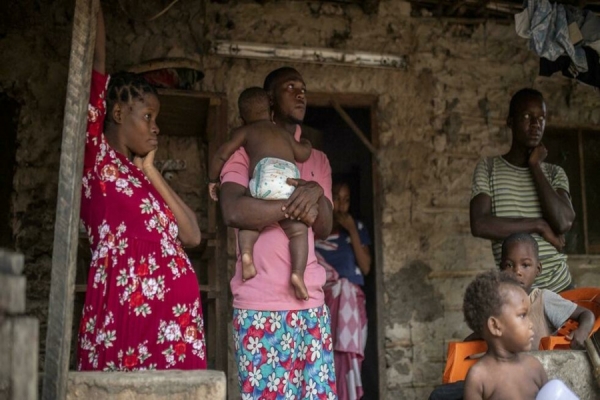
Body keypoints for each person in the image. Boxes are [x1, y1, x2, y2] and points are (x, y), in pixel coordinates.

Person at [77, 5, 206, 371]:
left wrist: (151, 172)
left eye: (157, 120)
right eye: (147, 116)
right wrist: (96, 8)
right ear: (117, 114)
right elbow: (96, 64)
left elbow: (192, 235)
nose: (155, 128)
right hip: (126, 316)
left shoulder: (142, 179)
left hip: (174, 329)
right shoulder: (97, 158)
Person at [218, 67, 337, 399]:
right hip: (259, 304)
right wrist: (294, 208)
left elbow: (325, 226)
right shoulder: (245, 152)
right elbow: (233, 210)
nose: (301, 94)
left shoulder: (317, 159)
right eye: (290, 87)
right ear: (269, 99)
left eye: (304, 88)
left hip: (309, 304)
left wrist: (314, 191)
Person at [208, 87, 313, 300]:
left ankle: (247, 255)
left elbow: (222, 154)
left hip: (264, 178)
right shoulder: (284, 133)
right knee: (298, 231)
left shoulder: (245, 132)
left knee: (250, 221)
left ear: (242, 118)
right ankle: (298, 274)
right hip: (287, 182)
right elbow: (302, 154)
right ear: (271, 112)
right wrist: (307, 144)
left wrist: (212, 178)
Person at [470, 88, 576, 293]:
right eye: (527, 116)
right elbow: (480, 224)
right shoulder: (489, 169)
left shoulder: (554, 173)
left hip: (561, 289)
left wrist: (535, 166)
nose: (536, 124)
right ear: (510, 121)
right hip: (518, 293)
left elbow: (563, 222)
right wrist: (538, 225)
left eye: (541, 118)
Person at [315, 181, 371, 400]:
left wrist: (351, 231)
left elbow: (365, 267)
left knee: (349, 359)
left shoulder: (357, 229)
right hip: (323, 306)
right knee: (323, 358)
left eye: (346, 200)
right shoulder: (315, 231)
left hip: (351, 309)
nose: (341, 205)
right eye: (336, 198)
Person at [500, 232, 594, 350]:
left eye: (525, 265)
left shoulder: (544, 299)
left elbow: (586, 314)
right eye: (509, 265)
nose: (517, 271)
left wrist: (582, 332)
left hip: (545, 366)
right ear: (501, 269)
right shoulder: (499, 304)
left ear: (537, 269)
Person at [462, 270, 548, 399]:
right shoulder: (479, 377)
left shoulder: (535, 367)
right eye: (522, 315)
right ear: (495, 326)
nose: (531, 324)